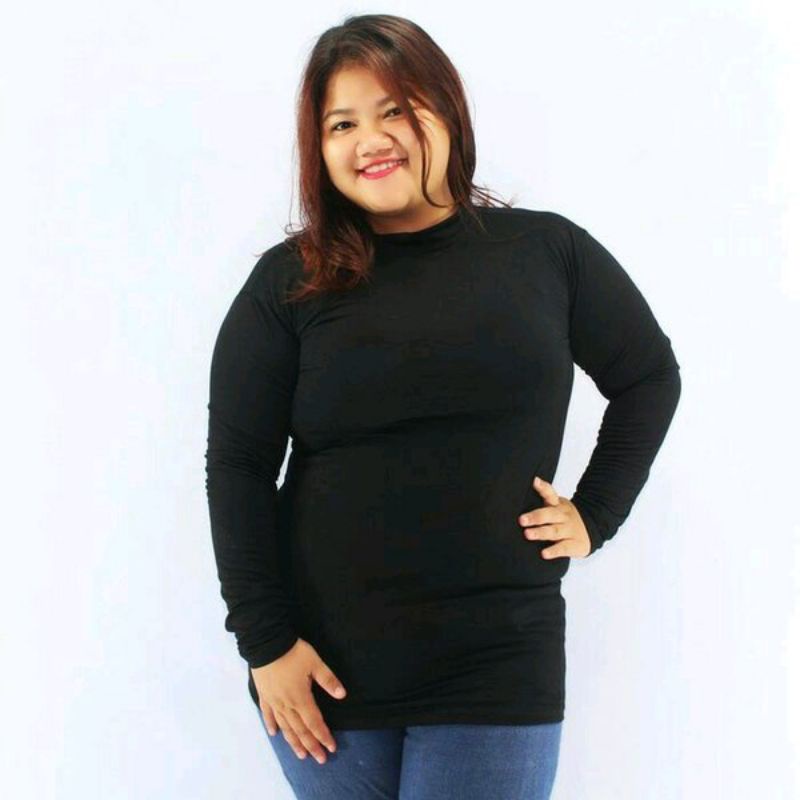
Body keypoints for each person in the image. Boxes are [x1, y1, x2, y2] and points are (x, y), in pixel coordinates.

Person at [204, 13, 682, 800]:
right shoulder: (287, 283)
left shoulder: (548, 253)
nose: (370, 140)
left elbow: (649, 377)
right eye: (341, 124)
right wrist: (266, 646)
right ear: (318, 149)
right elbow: (239, 468)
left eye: (393, 109)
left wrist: (596, 513)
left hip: (497, 659)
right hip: (323, 670)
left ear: (446, 109)